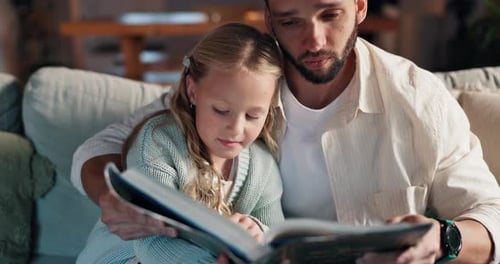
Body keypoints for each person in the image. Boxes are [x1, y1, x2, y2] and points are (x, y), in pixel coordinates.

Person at [72, 0, 500, 263]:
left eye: (330, 14)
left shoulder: (419, 99)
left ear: (360, 7)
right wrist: (119, 203)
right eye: (291, 21)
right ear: (271, 21)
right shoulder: (243, 78)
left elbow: (491, 215)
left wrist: (444, 240)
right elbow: (106, 146)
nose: (314, 40)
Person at [75, 22, 285, 263]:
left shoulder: (263, 166)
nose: (236, 129)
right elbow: (152, 243)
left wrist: (257, 230)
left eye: (252, 116)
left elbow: (276, 235)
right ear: (192, 90)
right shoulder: (158, 143)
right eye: (220, 110)